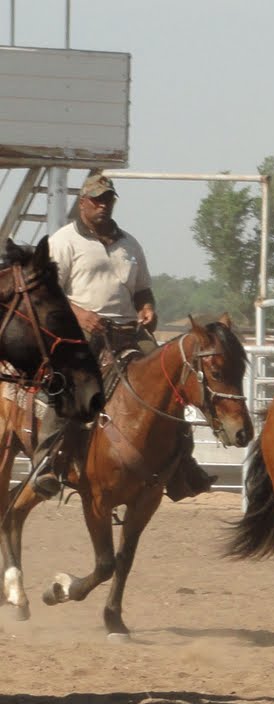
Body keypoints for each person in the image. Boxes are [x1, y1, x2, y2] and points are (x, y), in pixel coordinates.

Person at [38, 172, 215, 500]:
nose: (103, 206)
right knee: (72, 386)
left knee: (173, 379)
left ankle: (183, 465)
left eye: (108, 199)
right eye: (96, 200)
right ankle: (48, 461)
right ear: (83, 203)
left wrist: (147, 307)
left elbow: (142, 289)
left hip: (128, 331)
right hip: (81, 333)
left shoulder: (130, 244)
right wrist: (81, 314)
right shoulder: (63, 241)